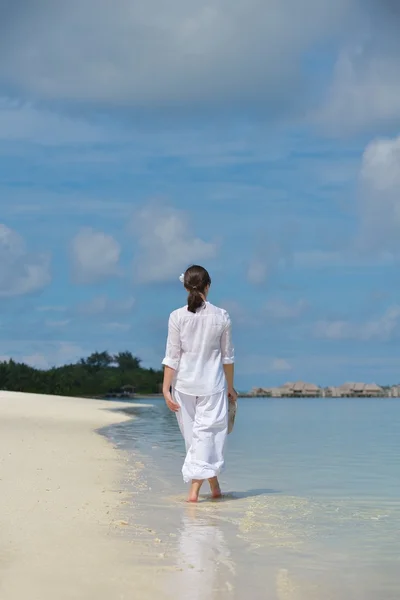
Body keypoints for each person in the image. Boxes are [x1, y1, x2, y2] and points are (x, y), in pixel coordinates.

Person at [162, 265, 237, 503]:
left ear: (185, 286)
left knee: (195, 440)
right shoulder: (222, 316)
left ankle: (214, 487)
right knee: (206, 437)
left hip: (183, 385)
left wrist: (165, 388)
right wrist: (231, 386)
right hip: (212, 385)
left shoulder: (177, 316)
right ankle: (195, 492)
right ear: (208, 286)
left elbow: (172, 356)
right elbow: (228, 357)